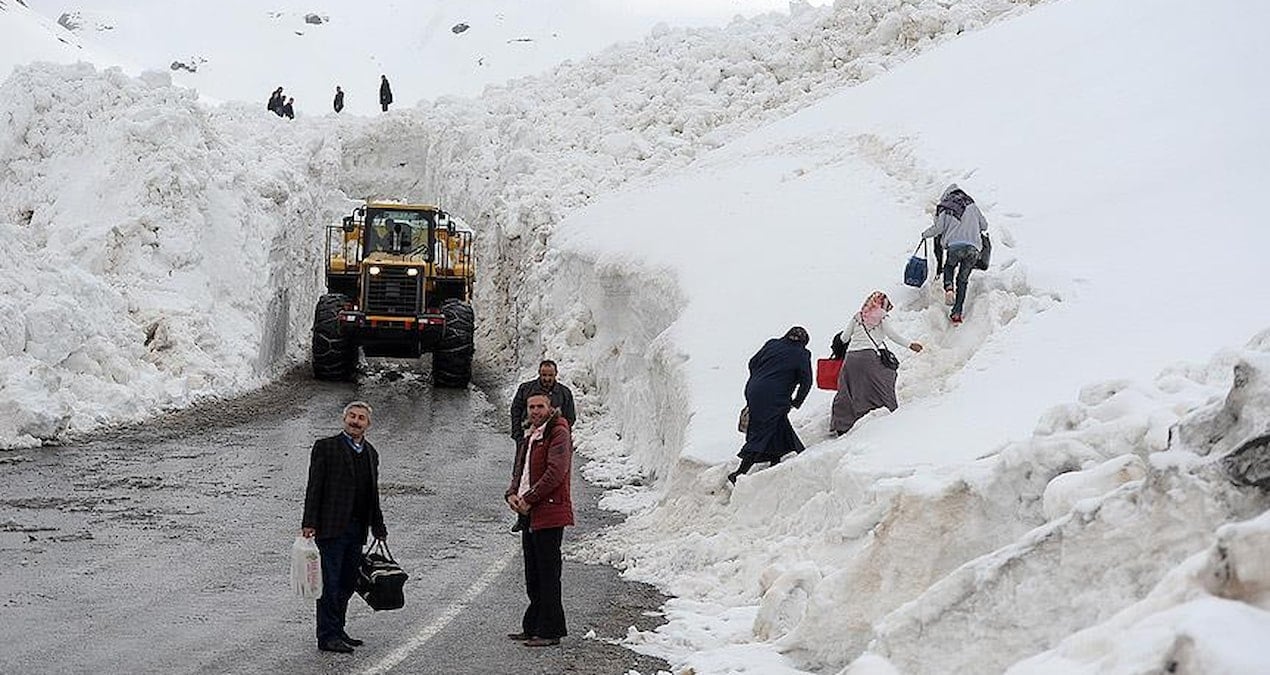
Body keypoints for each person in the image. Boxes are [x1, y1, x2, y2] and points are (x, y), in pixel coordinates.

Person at [301, 401, 389, 654]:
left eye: (361, 418)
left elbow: (372, 493)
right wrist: (309, 522)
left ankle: (338, 630)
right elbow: (314, 487)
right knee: (330, 584)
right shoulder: (326, 447)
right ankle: (327, 636)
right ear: (344, 419)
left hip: (357, 529)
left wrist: (378, 526)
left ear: (368, 424)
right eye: (352, 416)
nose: (355, 421)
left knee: (348, 583)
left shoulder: (371, 453)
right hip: (331, 528)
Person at [505, 393, 574, 647]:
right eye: (531, 407)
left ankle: (550, 630)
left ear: (550, 408)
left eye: (540, 406)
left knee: (548, 573)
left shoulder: (558, 433)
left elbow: (556, 472)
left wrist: (530, 498)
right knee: (533, 573)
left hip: (549, 512)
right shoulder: (532, 434)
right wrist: (512, 493)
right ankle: (533, 626)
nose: (535, 411)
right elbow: (521, 469)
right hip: (530, 513)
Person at [830, 292, 923, 435]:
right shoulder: (882, 315)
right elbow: (891, 334)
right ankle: (884, 411)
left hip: (850, 358)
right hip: (868, 356)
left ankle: (842, 423)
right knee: (884, 379)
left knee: (847, 389)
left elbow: (844, 338)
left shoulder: (858, 316)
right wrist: (910, 344)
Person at [728, 326, 813, 484]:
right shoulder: (802, 354)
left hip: (753, 389)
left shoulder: (772, 344)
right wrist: (796, 401)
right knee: (763, 430)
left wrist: (760, 377)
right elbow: (806, 381)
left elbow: (752, 362)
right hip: (774, 396)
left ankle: (777, 458)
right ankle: (739, 473)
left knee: (777, 424)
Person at [922, 184, 989, 324]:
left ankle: (949, 288)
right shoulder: (972, 205)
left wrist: (925, 234)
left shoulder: (946, 207)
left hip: (955, 246)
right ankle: (957, 312)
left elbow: (938, 229)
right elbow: (984, 226)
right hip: (973, 248)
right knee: (963, 280)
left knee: (949, 267)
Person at [510, 360, 577, 440]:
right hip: (528, 435)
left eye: (550, 375)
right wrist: (518, 434)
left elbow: (570, 418)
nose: (547, 378)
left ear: (556, 373)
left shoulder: (565, 393)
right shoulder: (525, 389)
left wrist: (562, 435)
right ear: (539, 373)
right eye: (544, 375)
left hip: (554, 438)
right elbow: (516, 412)